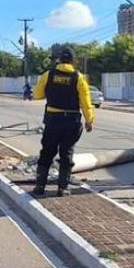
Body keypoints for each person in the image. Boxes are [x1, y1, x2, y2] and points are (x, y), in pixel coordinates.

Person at [31, 47, 95, 197]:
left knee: (47, 152)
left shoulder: (48, 75)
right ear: (73, 61)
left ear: (59, 60)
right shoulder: (79, 78)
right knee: (66, 153)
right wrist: (89, 120)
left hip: (53, 120)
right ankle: (63, 188)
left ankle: (40, 187)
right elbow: (86, 102)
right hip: (71, 121)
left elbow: (37, 95)